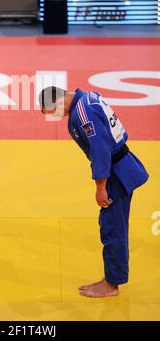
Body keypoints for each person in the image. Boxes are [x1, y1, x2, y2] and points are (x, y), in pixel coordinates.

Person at [39, 86, 148, 298]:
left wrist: (100, 187)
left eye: (53, 112)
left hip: (116, 173)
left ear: (58, 101)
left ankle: (111, 284)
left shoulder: (83, 113)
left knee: (112, 227)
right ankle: (111, 278)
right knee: (114, 224)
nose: (56, 117)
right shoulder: (88, 98)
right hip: (119, 165)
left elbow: (100, 149)